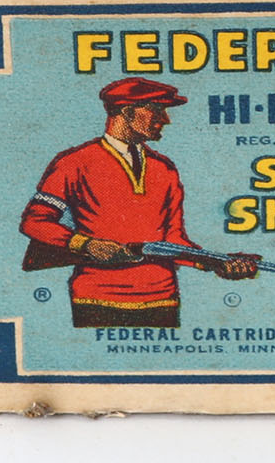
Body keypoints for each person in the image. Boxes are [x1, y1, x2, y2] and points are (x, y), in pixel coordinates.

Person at [20, 77, 258, 328]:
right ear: (127, 111)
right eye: (156, 109)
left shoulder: (165, 168)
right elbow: (34, 222)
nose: (165, 119)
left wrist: (215, 262)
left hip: (163, 298)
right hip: (97, 297)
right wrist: (86, 244)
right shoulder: (74, 162)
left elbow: (172, 240)